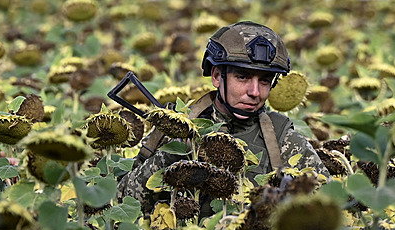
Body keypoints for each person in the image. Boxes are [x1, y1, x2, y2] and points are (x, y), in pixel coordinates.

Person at [117, 21, 330, 217]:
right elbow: (123, 202)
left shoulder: (283, 140)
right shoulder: (178, 128)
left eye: (264, 81)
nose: (255, 92)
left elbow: (330, 206)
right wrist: (173, 155)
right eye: (243, 77)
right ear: (217, 76)